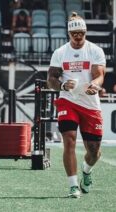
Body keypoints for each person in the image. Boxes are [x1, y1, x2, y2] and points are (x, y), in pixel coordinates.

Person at [47, 12, 106, 198]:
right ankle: (73, 185)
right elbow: (51, 78)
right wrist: (63, 85)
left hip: (90, 103)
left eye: (81, 33)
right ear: (69, 34)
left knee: (94, 150)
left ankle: (86, 171)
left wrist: (95, 85)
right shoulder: (60, 53)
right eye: (75, 34)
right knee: (69, 139)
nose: (78, 37)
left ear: (85, 32)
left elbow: (99, 75)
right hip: (68, 100)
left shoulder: (95, 50)